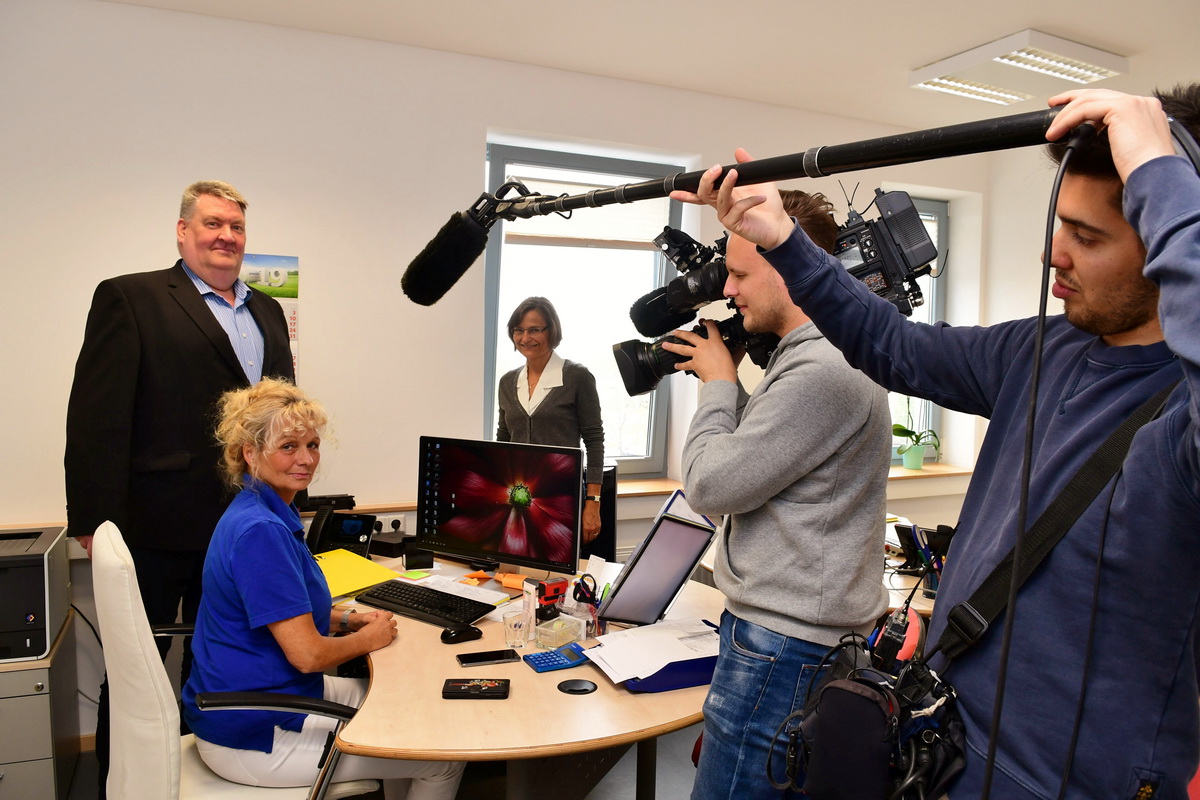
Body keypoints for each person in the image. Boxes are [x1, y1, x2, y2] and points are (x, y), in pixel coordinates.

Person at [672, 86, 1200, 798]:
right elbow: (893, 345)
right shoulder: (1042, 350)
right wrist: (783, 242)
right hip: (946, 752)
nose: (1054, 254)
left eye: (1091, 236)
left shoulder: (1183, 419)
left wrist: (1160, 175)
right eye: (1061, 226)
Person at [659, 190, 892, 799]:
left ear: (792, 266)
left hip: (781, 647)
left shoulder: (826, 369)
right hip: (783, 637)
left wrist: (717, 384)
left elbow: (711, 485)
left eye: (739, 273)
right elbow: (758, 464)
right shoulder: (809, 358)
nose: (728, 291)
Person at [65, 180, 294, 793]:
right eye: (213, 224)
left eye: (237, 227)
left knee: (219, 664)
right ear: (182, 230)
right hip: (156, 526)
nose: (226, 236)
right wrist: (94, 521)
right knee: (137, 668)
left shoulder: (267, 312)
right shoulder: (131, 298)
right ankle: (127, 783)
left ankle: (208, 779)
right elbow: (96, 417)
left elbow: (279, 419)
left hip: (245, 528)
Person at [182, 378, 465, 798]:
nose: (306, 459)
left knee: (405, 699)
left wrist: (348, 619)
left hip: (259, 697)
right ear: (250, 452)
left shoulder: (261, 507)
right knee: (442, 757)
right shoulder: (260, 531)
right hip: (257, 729)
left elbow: (280, 611)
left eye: (312, 445)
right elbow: (308, 655)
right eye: (288, 446)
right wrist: (369, 638)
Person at [496, 296, 606, 543]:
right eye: (519, 330)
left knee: (556, 574)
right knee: (514, 574)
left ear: (551, 331)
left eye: (534, 330)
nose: (526, 338)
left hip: (561, 498)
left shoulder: (576, 377)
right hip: (515, 498)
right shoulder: (507, 382)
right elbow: (503, 440)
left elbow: (594, 441)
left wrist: (593, 502)